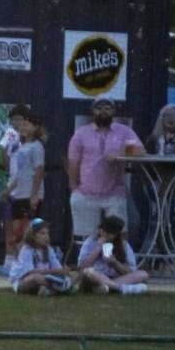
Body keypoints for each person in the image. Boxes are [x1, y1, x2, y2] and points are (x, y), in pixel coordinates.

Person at [67, 97, 143, 242]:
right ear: (92, 111)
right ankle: (88, 262)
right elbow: (73, 162)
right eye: (99, 108)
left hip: (114, 192)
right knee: (88, 238)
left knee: (120, 234)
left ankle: (119, 261)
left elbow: (140, 150)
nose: (103, 111)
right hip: (86, 192)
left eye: (107, 108)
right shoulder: (81, 134)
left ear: (113, 111)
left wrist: (120, 154)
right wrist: (74, 188)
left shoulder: (123, 131)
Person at [0, 108, 47, 274]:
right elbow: (19, 173)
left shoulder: (37, 146)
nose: (24, 127)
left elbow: (39, 171)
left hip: (30, 195)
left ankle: (31, 266)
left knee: (27, 232)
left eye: (28, 124)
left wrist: (34, 195)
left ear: (36, 127)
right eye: (23, 124)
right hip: (18, 194)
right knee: (18, 231)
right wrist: (9, 189)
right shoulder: (21, 147)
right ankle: (21, 266)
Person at [76, 215, 149, 295]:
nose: (106, 235)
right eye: (104, 231)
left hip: (116, 278)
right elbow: (82, 267)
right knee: (89, 272)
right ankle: (121, 288)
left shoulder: (123, 245)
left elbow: (130, 271)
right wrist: (98, 247)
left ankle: (107, 287)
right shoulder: (90, 242)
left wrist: (115, 263)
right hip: (95, 277)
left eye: (110, 233)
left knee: (143, 274)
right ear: (100, 230)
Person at [8, 219, 74, 296]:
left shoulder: (48, 249)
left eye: (47, 233)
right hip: (23, 280)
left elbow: (57, 267)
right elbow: (30, 272)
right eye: (42, 233)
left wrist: (63, 271)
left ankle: (50, 290)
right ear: (33, 235)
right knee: (36, 278)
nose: (46, 236)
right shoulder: (27, 250)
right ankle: (59, 289)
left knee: (72, 275)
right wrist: (53, 271)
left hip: (45, 278)